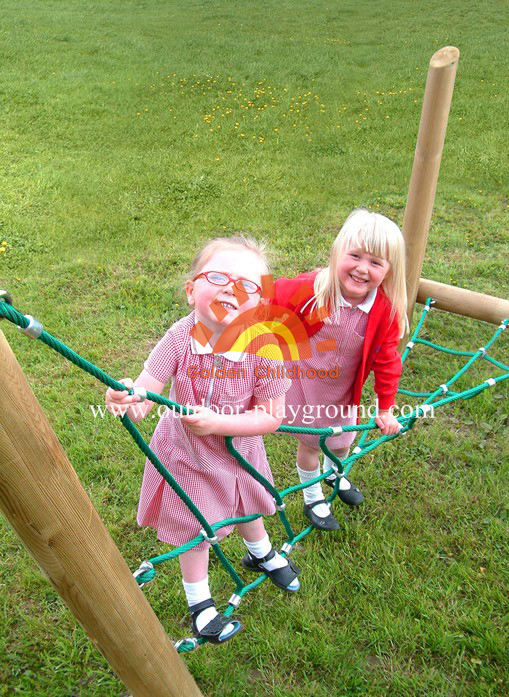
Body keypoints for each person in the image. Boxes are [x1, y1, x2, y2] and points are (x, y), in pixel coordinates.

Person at [105, 236, 300, 645]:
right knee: (195, 529)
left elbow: (272, 415)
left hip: (239, 452)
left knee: (248, 504)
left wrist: (221, 423)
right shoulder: (178, 339)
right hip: (185, 455)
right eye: (218, 277)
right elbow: (144, 398)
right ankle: (201, 605)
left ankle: (260, 553)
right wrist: (124, 395)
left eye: (248, 285)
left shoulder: (266, 350)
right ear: (192, 289)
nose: (232, 288)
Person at [272, 209, 407, 531]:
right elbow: (268, 295)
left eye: (376, 262)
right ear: (337, 253)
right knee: (311, 444)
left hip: (343, 392)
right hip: (304, 386)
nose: (362, 268)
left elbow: (387, 362)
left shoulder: (384, 310)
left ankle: (335, 473)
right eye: (355, 256)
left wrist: (386, 409)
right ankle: (312, 496)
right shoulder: (311, 290)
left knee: (343, 441)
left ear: (389, 270)